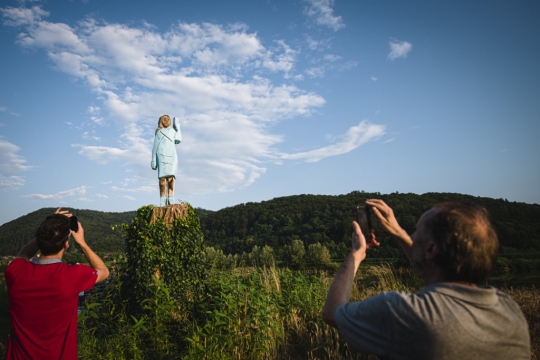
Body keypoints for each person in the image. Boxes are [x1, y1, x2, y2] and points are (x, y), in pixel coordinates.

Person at [323, 199, 530, 359]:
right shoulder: (510, 312)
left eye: (416, 233)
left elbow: (333, 313)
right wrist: (398, 232)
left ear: (431, 249)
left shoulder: (402, 312)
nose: (411, 237)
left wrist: (356, 254)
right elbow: (436, 277)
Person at [5, 208, 109, 359]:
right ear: (66, 244)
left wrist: (45, 232)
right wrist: (82, 243)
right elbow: (103, 271)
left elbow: (24, 254)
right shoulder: (72, 275)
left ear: (40, 240)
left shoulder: (14, 271)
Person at [151, 114, 182, 206]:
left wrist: (178, 128)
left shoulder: (172, 131)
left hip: (172, 156)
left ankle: (171, 197)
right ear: (160, 121)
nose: (166, 120)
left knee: (171, 178)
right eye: (164, 119)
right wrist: (153, 160)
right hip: (161, 156)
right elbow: (155, 147)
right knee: (162, 179)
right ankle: (163, 198)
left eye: (167, 119)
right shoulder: (159, 132)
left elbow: (178, 139)